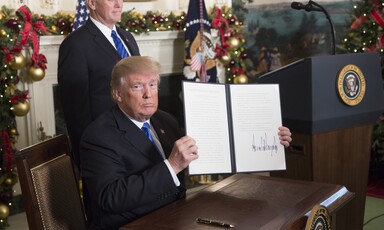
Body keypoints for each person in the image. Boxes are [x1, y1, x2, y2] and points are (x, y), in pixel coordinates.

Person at [80, 56, 292, 229]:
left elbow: (210, 147)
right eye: (138, 86)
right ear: (117, 94)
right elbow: (110, 198)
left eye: (153, 85)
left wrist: (269, 138)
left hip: (175, 213)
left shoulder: (165, 120)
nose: (148, 94)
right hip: (131, 224)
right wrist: (171, 166)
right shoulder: (99, 136)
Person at [58, 0, 140, 169]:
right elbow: (75, 113)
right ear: (92, 4)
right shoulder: (75, 44)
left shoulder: (128, 38)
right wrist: (89, 160)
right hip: (105, 153)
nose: (118, 4)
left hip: (136, 143)